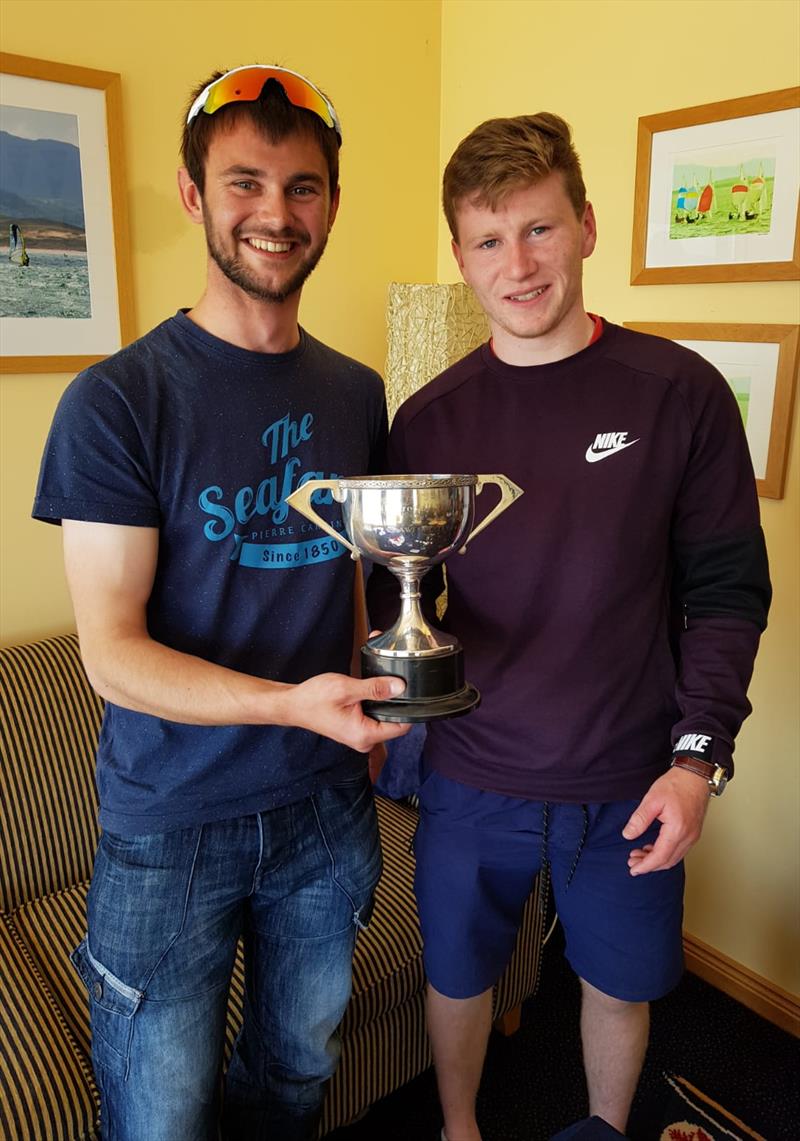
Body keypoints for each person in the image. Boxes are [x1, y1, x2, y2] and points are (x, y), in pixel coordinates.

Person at [367, 113, 771, 1140]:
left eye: (539, 229)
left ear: (586, 226)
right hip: (469, 773)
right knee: (457, 976)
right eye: (488, 240)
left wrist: (695, 760)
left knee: (618, 984)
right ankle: (458, 1127)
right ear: (459, 256)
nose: (518, 264)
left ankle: (600, 1124)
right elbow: (392, 602)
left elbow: (724, 588)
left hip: (626, 777)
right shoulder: (426, 422)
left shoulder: (678, 393)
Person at [32, 64, 410, 1141]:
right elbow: (109, 653)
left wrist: (366, 716)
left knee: (294, 1082)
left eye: (301, 187)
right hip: (170, 826)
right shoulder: (117, 401)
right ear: (196, 196)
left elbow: (347, 571)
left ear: (330, 205)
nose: (274, 214)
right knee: (161, 1118)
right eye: (244, 182)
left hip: (326, 809)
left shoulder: (354, 392)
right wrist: (290, 706)